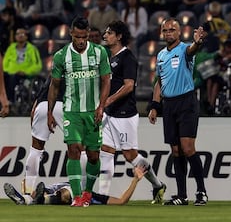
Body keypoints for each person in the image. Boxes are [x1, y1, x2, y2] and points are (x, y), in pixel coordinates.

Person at [99, 20, 166, 204]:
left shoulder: (128, 57)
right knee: (105, 152)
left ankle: (158, 185)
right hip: (109, 114)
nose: (105, 36)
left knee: (130, 156)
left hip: (125, 114)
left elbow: (129, 86)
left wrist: (109, 100)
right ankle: (101, 196)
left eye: (109, 33)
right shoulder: (110, 58)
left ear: (119, 36)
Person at [47, 16, 111, 207]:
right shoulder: (61, 56)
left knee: (93, 156)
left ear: (88, 33)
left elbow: (106, 80)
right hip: (72, 111)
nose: (82, 41)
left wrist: (101, 106)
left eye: (85, 37)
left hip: (93, 111)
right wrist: (50, 112)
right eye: (78, 37)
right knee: (73, 150)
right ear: (71, 34)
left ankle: (87, 193)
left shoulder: (99, 52)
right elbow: (54, 85)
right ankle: (76, 197)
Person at [148, 18, 208, 206]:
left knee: (188, 147)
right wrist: (155, 106)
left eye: (172, 30)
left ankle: (201, 192)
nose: (168, 33)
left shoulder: (185, 49)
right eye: (165, 30)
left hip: (186, 102)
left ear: (179, 32)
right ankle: (182, 195)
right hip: (169, 105)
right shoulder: (160, 55)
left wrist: (197, 42)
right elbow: (160, 81)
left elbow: (192, 51)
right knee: (175, 150)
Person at [23, 75, 89, 197]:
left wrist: (36, 121)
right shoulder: (79, 65)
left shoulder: (54, 68)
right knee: (82, 149)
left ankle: (27, 193)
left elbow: (34, 108)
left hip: (43, 105)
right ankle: (84, 192)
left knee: (36, 150)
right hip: (66, 106)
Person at [4, 166, 147, 206]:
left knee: (63, 194)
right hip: (61, 188)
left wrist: (135, 180)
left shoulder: (93, 196)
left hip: (65, 192)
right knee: (39, 192)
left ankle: (25, 199)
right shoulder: (70, 184)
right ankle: (30, 198)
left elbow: (122, 201)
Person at [3, 27, 42, 103]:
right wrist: (7, 71)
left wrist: (25, 72)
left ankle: (10, 100)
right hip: (10, 73)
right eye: (18, 34)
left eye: (22, 33)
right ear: (15, 36)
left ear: (26, 36)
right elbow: (4, 64)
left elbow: (37, 66)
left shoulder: (32, 49)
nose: (20, 35)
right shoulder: (10, 48)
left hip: (25, 74)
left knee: (13, 78)